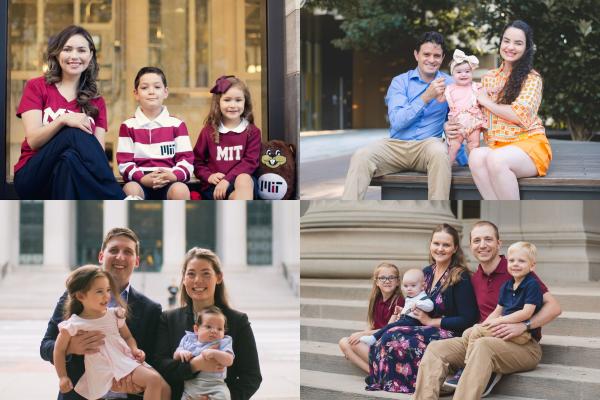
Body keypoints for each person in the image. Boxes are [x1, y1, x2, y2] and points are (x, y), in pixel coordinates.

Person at [413, 221, 562, 400]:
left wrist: (525, 325)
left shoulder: (515, 269)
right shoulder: (474, 278)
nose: (482, 245)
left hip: (523, 345)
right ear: (470, 246)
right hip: (483, 337)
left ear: (499, 244)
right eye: (477, 240)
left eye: (488, 239)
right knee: (436, 349)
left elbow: (554, 307)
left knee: (482, 347)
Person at [41, 227, 163, 400]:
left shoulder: (151, 310)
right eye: (113, 250)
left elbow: (153, 361)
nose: (120, 257)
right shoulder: (74, 297)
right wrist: (71, 347)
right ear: (101, 256)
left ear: (137, 261)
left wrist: (137, 387)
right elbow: (45, 346)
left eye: (128, 252)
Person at [13, 25, 124, 199]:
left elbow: (96, 155)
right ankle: (118, 198)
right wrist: (64, 120)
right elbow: (33, 141)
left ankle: (65, 222)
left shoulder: (96, 101)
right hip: (33, 176)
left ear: (91, 56)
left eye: (81, 50)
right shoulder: (37, 86)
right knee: (72, 133)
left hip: (71, 177)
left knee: (69, 159)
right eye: (67, 49)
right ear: (57, 54)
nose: (74, 56)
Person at [343, 31, 456, 200]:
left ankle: (436, 217)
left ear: (442, 57)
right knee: (361, 155)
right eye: (426, 54)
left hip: (427, 146)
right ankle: (348, 213)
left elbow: (459, 118)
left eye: (437, 56)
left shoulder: (451, 83)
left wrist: (462, 154)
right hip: (395, 146)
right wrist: (427, 96)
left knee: (440, 153)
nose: (432, 60)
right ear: (416, 54)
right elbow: (397, 122)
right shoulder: (400, 82)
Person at [366, 224, 478, 393]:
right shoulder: (426, 272)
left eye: (446, 245)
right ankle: (392, 380)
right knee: (389, 333)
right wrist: (405, 310)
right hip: (423, 326)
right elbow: (416, 298)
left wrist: (432, 321)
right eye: (436, 243)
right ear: (431, 245)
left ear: (455, 248)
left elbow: (468, 318)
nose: (440, 249)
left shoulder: (459, 276)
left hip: (449, 332)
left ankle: (413, 383)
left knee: (396, 336)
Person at [447, 20, 552, 200]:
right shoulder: (489, 77)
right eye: (506, 41)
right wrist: (449, 126)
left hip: (529, 144)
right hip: (497, 147)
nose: (510, 47)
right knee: (476, 156)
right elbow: (470, 110)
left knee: (497, 160)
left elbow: (520, 115)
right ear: (501, 42)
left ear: (527, 48)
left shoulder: (532, 79)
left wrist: (487, 102)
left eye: (518, 43)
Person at [153, 247, 262, 400]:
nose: (197, 280)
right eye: (191, 274)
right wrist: (195, 365)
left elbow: (252, 377)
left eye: (205, 273)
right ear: (184, 279)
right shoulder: (168, 319)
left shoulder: (238, 321)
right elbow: (160, 366)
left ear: (218, 277)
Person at [53, 265, 170, 400]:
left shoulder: (114, 314)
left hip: (123, 360)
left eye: (108, 290)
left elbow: (127, 336)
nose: (107, 296)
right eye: (99, 291)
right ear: (80, 295)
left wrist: (134, 349)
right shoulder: (74, 324)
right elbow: (58, 350)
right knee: (153, 380)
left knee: (165, 388)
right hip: (101, 370)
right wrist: (62, 377)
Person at [117, 67, 194, 200]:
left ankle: (176, 221)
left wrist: (173, 176)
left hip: (169, 181)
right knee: (130, 189)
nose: (151, 92)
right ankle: (136, 221)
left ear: (165, 92)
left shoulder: (177, 124)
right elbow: (125, 163)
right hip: (140, 181)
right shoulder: (128, 126)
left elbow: (186, 161)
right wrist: (141, 178)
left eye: (157, 87)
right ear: (136, 94)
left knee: (181, 190)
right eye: (145, 87)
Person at [463, 241, 542, 364]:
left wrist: (500, 320)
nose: (515, 264)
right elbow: (497, 311)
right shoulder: (507, 286)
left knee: (477, 333)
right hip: (504, 327)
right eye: (511, 261)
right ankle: (472, 361)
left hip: (521, 333)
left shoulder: (532, 284)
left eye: (521, 261)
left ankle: (468, 364)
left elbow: (527, 313)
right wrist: (485, 324)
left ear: (532, 266)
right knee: (470, 331)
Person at [193, 76, 261, 200]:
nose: (233, 105)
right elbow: (197, 161)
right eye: (227, 100)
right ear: (218, 103)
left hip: (242, 185)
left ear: (245, 102)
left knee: (244, 178)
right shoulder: (208, 131)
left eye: (238, 100)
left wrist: (227, 180)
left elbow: (250, 162)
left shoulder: (252, 132)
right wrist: (209, 176)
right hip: (215, 187)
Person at [338, 262, 405, 373]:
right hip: (374, 339)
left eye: (391, 277)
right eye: (382, 278)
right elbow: (371, 323)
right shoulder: (376, 299)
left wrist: (362, 335)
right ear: (377, 282)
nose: (387, 281)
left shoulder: (399, 302)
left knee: (355, 345)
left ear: (398, 282)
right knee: (344, 342)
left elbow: (388, 330)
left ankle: (380, 372)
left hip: (387, 343)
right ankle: (372, 373)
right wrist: (362, 335)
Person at [173, 306, 234, 400]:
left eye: (219, 329)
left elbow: (229, 360)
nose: (214, 331)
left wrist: (214, 353)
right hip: (191, 386)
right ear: (196, 329)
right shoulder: (189, 339)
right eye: (209, 327)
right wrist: (181, 352)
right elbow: (175, 356)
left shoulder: (223, 342)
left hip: (215, 386)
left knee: (224, 396)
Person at [360, 268, 434, 346]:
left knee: (391, 326)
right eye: (406, 286)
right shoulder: (411, 297)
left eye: (413, 285)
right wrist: (402, 311)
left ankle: (373, 338)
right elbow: (371, 322)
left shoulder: (421, 297)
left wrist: (418, 304)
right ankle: (373, 338)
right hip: (406, 319)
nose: (409, 288)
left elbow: (430, 306)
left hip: (413, 322)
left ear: (423, 286)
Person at [444, 49, 486, 165]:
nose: (463, 74)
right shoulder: (449, 89)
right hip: (457, 123)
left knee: (474, 146)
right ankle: (446, 167)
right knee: (454, 146)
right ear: (452, 74)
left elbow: (487, 96)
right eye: (459, 72)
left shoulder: (476, 87)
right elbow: (439, 100)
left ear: (472, 73)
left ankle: (476, 167)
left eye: (467, 71)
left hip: (473, 122)